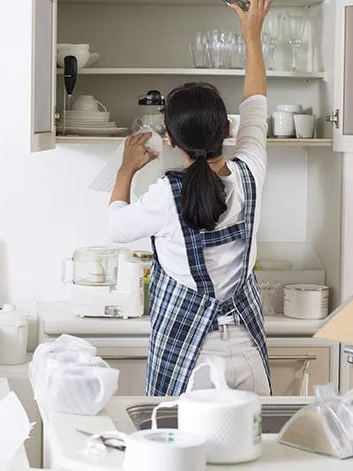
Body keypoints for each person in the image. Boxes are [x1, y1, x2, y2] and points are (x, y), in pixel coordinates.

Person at [107, 0, 274, 397]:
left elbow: (114, 228)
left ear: (169, 140)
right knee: (256, 455)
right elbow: (257, 106)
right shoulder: (251, 172)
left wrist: (125, 169)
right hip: (247, 352)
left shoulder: (166, 194)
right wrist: (253, 35)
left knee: (181, 455)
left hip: (189, 356)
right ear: (228, 127)